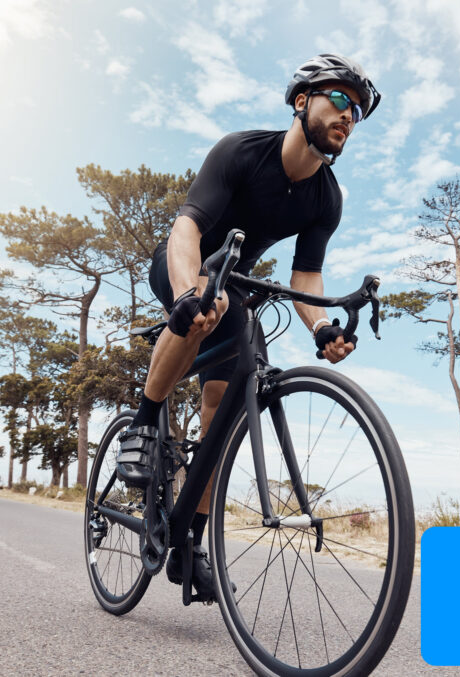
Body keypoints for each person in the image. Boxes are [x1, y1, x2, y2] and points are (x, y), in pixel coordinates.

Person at [114, 54, 381, 600]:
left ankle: (189, 542)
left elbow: (305, 275)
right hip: (184, 260)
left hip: (235, 285)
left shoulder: (327, 198)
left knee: (226, 405)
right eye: (339, 99)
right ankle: (143, 424)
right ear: (302, 101)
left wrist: (322, 328)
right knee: (204, 306)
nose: (348, 115)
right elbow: (187, 228)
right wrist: (186, 293)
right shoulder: (241, 151)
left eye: (356, 111)